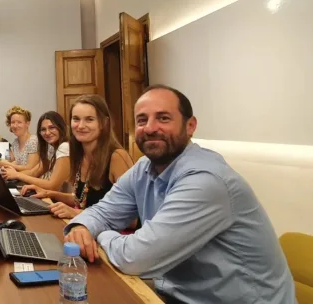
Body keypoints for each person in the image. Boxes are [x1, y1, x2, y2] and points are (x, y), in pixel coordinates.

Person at [63, 85, 295, 303]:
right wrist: (81, 227)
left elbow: (135, 258)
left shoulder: (205, 181)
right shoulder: (144, 168)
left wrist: (99, 236)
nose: (151, 127)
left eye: (163, 118)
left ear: (190, 126)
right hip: (173, 293)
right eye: (142, 120)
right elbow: (102, 211)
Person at [20, 96, 133, 219]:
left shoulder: (117, 156)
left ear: (104, 123)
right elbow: (81, 200)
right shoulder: (78, 155)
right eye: (76, 119)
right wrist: (47, 193)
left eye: (89, 119)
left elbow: (133, 215)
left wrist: (77, 213)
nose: (80, 126)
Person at [1, 111, 70, 191]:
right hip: (44, 192)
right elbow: (34, 172)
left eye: (52, 127)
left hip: (57, 199)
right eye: (43, 129)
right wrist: (11, 174)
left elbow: (52, 186)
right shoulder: (51, 149)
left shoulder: (64, 147)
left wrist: (17, 175)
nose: (47, 133)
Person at [0, 106, 38, 171]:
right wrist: (3, 165)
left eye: (19, 122)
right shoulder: (15, 143)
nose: (15, 126)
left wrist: (7, 164)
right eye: (13, 122)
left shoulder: (34, 141)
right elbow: (17, 163)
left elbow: (30, 168)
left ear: (27, 124)